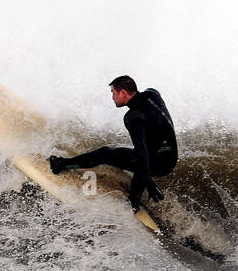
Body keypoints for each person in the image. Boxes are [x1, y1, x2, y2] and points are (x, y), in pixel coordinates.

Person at [48, 75, 178, 212]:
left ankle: (61, 165)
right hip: (171, 157)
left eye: (113, 93)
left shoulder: (133, 117)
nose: (112, 98)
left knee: (106, 154)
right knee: (143, 155)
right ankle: (136, 196)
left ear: (123, 93)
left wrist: (149, 182)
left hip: (159, 164)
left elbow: (141, 152)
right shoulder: (152, 94)